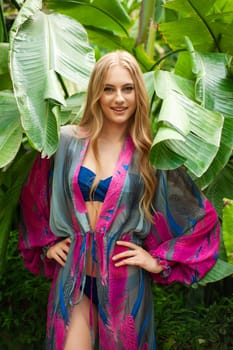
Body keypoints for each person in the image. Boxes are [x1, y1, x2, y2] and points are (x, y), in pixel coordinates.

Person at [18, 50, 220, 350]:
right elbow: (35, 198)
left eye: (127, 88)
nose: (119, 99)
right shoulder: (66, 142)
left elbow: (202, 218)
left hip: (125, 285)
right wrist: (48, 244)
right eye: (108, 89)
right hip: (74, 279)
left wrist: (155, 260)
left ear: (138, 93)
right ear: (96, 93)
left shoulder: (152, 155)